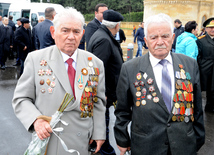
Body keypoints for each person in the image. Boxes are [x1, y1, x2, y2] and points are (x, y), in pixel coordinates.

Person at [12, 7, 106, 155]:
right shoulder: (36, 59)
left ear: (82, 34)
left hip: (82, 142)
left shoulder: (94, 63)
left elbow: (98, 101)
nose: (71, 36)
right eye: (65, 30)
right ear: (53, 32)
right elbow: (21, 98)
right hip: (50, 140)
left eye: (76, 31)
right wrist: (37, 120)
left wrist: (99, 132)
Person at [114, 13, 205, 155]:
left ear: (173, 38)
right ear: (146, 40)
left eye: (165, 36)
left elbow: (197, 108)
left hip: (184, 145)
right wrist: (122, 139)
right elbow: (122, 110)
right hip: (146, 147)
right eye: (154, 37)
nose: (160, 42)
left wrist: (197, 139)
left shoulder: (189, 64)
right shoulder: (130, 68)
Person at [88, 10, 124, 155]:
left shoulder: (104, 35)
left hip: (107, 91)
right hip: (104, 93)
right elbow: (97, 70)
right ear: (116, 26)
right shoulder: (104, 39)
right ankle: (105, 152)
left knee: (103, 125)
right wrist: (101, 93)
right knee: (102, 126)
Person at [197, 17, 214, 113]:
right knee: (204, 88)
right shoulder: (200, 40)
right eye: (210, 27)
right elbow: (198, 55)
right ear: (206, 29)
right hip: (205, 68)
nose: (213, 29)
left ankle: (210, 106)